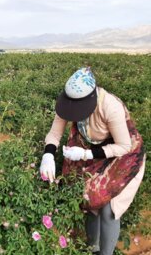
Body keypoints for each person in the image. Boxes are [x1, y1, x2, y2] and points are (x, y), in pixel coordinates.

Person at [39, 67, 145, 255]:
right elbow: (55, 133)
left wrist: (86, 155)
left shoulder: (109, 106)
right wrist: (48, 154)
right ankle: (92, 248)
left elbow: (123, 146)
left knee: (108, 209)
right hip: (91, 149)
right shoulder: (68, 102)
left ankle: (105, 253)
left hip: (124, 154)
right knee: (89, 200)